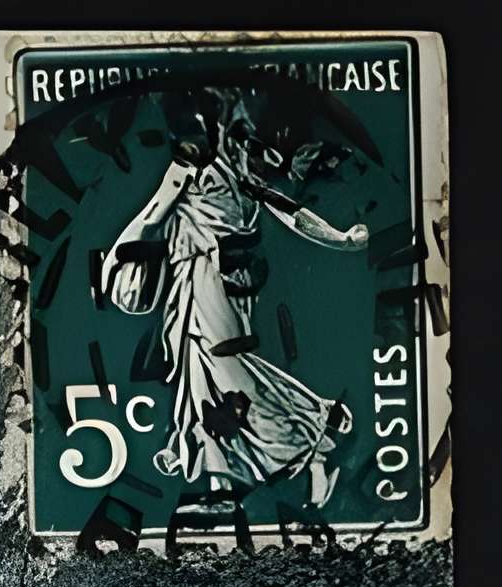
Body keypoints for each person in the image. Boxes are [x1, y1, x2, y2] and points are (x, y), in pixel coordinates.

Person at [96, 89, 372, 508]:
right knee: (201, 376)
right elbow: (153, 216)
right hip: (194, 283)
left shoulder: (230, 168)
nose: (191, 136)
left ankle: (314, 433)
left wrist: (341, 239)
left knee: (225, 372)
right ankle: (223, 483)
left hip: (215, 284)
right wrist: (118, 259)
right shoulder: (196, 168)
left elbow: (290, 212)